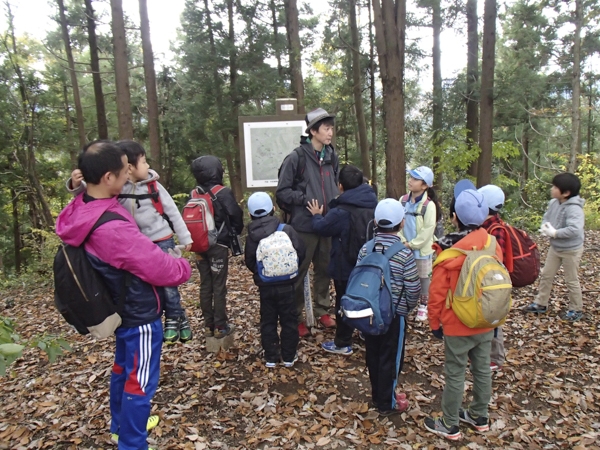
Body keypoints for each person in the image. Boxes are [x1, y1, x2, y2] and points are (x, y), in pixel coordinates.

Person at [56, 140, 192, 450]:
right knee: (140, 381)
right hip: (138, 311)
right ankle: (132, 442)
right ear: (108, 178)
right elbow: (155, 266)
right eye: (123, 171)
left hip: (117, 305)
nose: (128, 174)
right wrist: (182, 267)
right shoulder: (112, 228)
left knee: (123, 369)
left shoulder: (82, 207)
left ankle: (120, 427)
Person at [69, 140, 194, 344]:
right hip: (137, 244)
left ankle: (175, 316)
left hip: (161, 239)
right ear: (128, 167)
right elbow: (93, 193)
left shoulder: (154, 186)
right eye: (143, 162)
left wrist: (185, 237)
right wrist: (75, 186)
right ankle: (169, 315)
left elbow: (172, 212)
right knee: (149, 283)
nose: (147, 166)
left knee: (169, 284)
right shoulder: (117, 188)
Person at [424, 187, 498, 441]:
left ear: (455, 216)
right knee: (482, 369)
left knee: (455, 372)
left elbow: (436, 293)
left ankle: (450, 422)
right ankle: (479, 416)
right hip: (486, 317)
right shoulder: (491, 242)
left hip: (457, 322)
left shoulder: (448, 253)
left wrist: (435, 323)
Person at [276, 108, 340, 337]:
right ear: (313, 131)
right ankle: (296, 316)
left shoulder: (331, 155)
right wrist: (305, 201)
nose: (330, 132)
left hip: (328, 223)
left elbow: (335, 183)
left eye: (331, 127)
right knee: (299, 271)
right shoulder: (297, 157)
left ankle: (322, 310)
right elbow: (282, 192)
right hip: (304, 225)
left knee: (325, 269)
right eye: (326, 128)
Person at [306, 164, 378, 355]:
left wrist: (315, 216)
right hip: (370, 263)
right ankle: (365, 331)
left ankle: (342, 342)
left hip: (345, 265)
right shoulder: (374, 203)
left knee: (344, 302)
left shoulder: (342, 211)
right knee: (366, 297)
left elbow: (322, 227)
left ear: (340, 186)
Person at [360, 199, 421, 416]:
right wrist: (404, 309)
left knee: (373, 353)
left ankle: (378, 393)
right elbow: (413, 287)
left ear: (375, 221)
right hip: (393, 315)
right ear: (402, 223)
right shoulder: (404, 254)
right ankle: (387, 402)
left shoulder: (366, 248)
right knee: (391, 356)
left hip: (368, 312)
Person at [244, 192, 306, 368]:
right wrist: (291, 270)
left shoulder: (252, 236)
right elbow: (300, 251)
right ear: (273, 209)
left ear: (250, 214)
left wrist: (261, 273)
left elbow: (250, 260)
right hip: (288, 284)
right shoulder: (286, 229)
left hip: (266, 286)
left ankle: (271, 357)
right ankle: (288, 357)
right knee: (289, 320)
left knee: (268, 320)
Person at [191, 155, 244, 338]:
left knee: (206, 284)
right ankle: (220, 327)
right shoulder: (223, 192)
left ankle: (208, 325)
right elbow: (235, 215)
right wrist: (234, 233)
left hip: (199, 245)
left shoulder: (195, 193)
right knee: (219, 285)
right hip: (218, 245)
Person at [522, 173, 585, 322]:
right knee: (546, 275)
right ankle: (540, 303)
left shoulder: (574, 209)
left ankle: (576, 309)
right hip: (555, 247)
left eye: (556, 187)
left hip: (571, 249)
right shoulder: (553, 203)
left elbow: (575, 229)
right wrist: (545, 227)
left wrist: (555, 233)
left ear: (566, 193)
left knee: (571, 280)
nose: (552, 189)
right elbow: (547, 217)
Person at [399, 166, 441, 322]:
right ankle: (407, 304)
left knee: (423, 278)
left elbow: (428, 230)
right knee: (405, 277)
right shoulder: (402, 201)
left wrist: (412, 244)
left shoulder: (429, 205)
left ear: (424, 185)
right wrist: (402, 241)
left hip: (421, 250)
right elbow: (397, 222)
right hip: (404, 248)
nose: (410, 181)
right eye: (410, 177)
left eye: (415, 179)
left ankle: (423, 306)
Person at [478, 185, 510, 372]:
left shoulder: (495, 229)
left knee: (494, 321)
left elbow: (496, 256)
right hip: (484, 280)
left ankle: (496, 358)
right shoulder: (485, 225)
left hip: (494, 282)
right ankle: (485, 353)